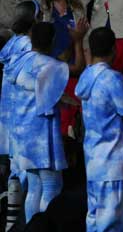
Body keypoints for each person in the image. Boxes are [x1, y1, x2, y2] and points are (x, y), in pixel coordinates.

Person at [76, 26, 123, 232]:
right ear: (114, 49)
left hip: (94, 163)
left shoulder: (86, 76)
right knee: (111, 226)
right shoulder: (112, 78)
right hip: (113, 165)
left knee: (95, 223)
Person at [8, 22, 69, 222]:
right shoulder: (52, 66)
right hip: (42, 135)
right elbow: (53, 99)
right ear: (52, 40)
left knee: (34, 187)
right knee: (52, 186)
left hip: (20, 134)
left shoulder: (17, 62)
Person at [0, 1, 38, 229]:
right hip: (25, 116)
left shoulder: (9, 45)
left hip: (8, 116)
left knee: (15, 168)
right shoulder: (29, 46)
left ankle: (10, 222)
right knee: (27, 172)